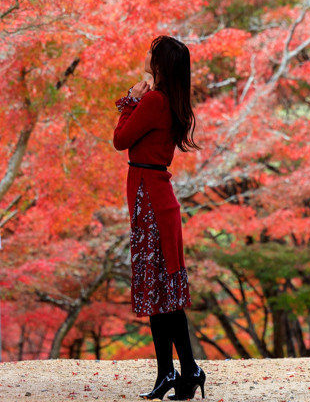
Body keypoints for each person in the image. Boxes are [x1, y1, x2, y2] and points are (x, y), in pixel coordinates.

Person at [113, 35, 206, 401]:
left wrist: (131, 99)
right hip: (156, 196)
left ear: (160, 63)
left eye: (152, 51)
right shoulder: (171, 100)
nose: (146, 54)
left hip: (150, 198)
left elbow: (120, 140)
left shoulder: (152, 101)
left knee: (159, 291)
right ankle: (182, 370)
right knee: (163, 292)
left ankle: (176, 371)